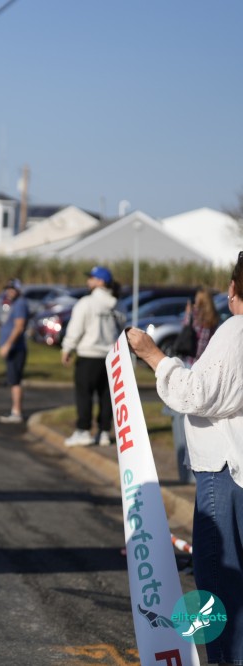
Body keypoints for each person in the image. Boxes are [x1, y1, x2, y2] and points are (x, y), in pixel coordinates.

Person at [126, 251, 243, 666]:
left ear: (233, 289)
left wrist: (152, 356)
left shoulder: (236, 330)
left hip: (225, 472)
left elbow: (195, 394)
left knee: (220, 584)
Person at [60, 266, 122, 447]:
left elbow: (76, 329)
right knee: (107, 396)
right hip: (111, 357)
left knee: (84, 395)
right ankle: (104, 432)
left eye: (91, 278)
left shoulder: (86, 303)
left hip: (88, 356)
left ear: (100, 282)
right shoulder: (118, 304)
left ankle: (83, 431)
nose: (88, 281)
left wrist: (67, 348)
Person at [168, 288, 220, 482]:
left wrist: (188, 313)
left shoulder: (194, 316)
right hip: (205, 368)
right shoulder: (214, 319)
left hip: (189, 365)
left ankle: (186, 473)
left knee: (183, 415)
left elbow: (185, 331)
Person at [0, 279, 29, 424]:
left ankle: (16, 412)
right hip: (13, 348)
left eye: (12, 289)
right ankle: (15, 410)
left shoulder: (20, 303)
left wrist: (7, 345)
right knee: (13, 380)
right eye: (8, 288)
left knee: (15, 381)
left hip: (16, 349)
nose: (9, 291)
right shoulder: (12, 303)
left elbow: (19, 326)